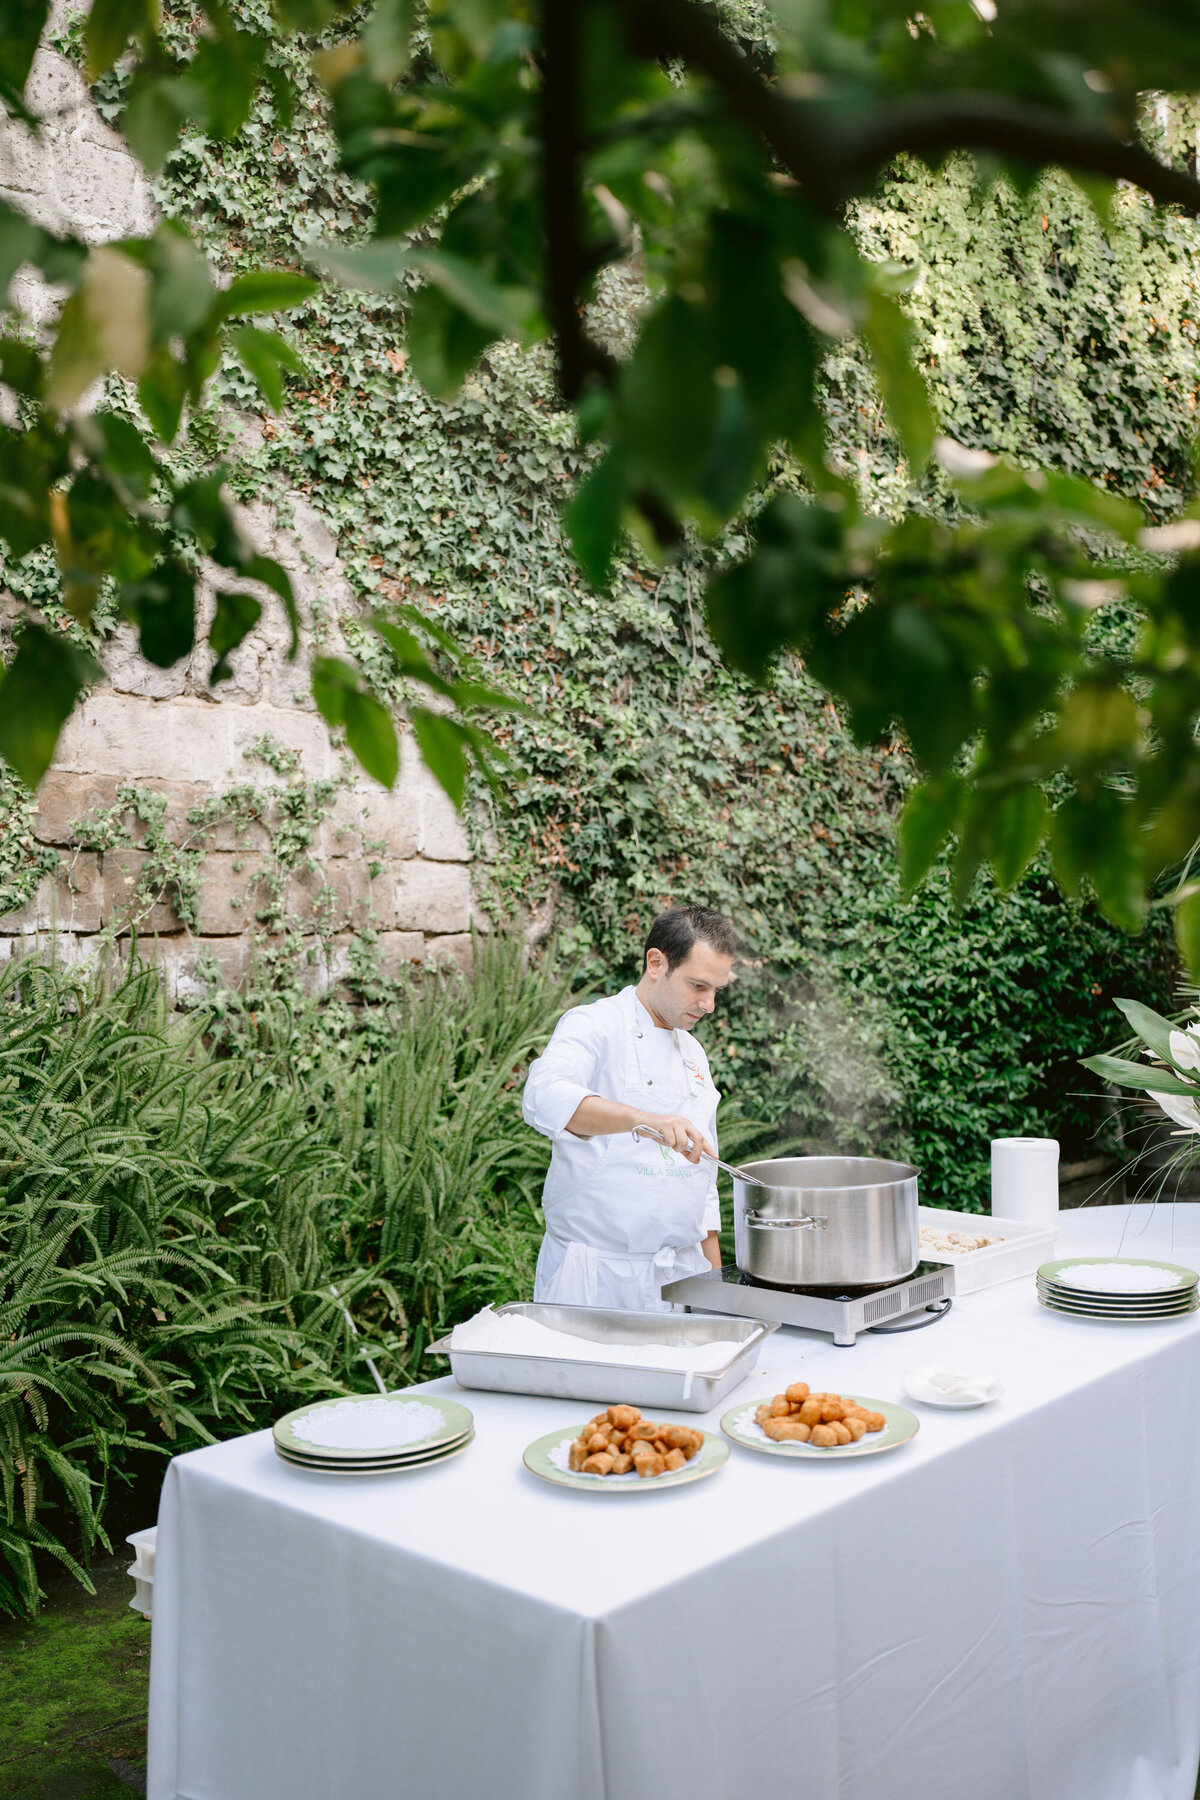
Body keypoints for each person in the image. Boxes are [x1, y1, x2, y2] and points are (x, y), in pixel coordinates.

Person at [522, 904, 735, 1311]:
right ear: (656, 962)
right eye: (698, 986)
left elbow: (703, 1186)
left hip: (681, 1279)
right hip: (595, 1280)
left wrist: (716, 1298)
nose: (709, 1004)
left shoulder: (693, 1054)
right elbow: (544, 1096)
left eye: (715, 991)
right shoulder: (593, 1025)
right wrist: (641, 1119)